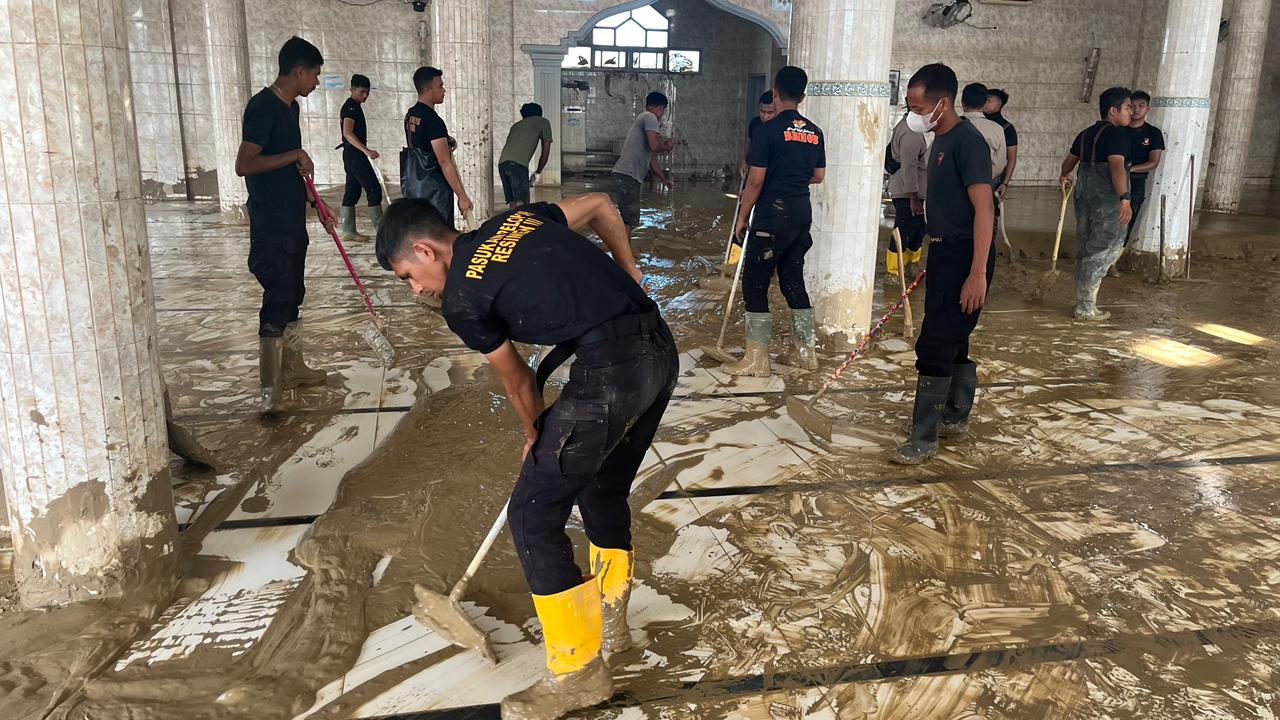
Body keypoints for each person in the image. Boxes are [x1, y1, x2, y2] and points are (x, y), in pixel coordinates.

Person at [376, 193, 676, 720]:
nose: (416, 289)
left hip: (611, 373)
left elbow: (516, 379)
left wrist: (536, 433)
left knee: (533, 514)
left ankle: (578, 674)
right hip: (658, 353)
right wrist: (630, 271)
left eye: (408, 277)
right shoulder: (518, 221)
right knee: (601, 491)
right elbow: (602, 205)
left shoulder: (461, 301)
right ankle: (613, 626)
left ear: (425, 250)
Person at [888, 63, 995, 466]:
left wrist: (977, 273)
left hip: (966, 254)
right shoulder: (941, 139)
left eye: (917, 108)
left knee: (934, 343)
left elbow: (985, 210)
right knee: (954, 337)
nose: (913, 114)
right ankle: (954, 416)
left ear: (943, 103)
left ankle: (924, 438)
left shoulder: (968, 142)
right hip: (945, 251)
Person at [235, 36, 329, 415]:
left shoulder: (291, 108)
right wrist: (294, 154)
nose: (317, 82)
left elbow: (291, 168)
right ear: (299, 71)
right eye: (315, 75)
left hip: (291, 217)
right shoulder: (263, 107)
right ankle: (269, 386)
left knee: (294, 291)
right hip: (270, 221)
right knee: (278, 293)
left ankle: (293, 368)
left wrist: (316, 201)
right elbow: (245, 165)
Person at [725, 66, 826, 377]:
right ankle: (806, 354)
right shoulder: (815, 132)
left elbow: (755, 182)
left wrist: (742, 218)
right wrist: (792, 176)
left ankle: (757, 360)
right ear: (802, 97)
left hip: (772, 216)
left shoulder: (767, 131)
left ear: (776, 92)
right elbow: (818, 176)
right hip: (801, 215)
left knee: (755, 282)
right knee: (792, 279)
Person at [1060, 87, 1133, 321]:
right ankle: (1085, 308)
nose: (1131, 112)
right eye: (1127, 107)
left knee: (1087, 248)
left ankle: (1082, 302)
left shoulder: (1086, 134)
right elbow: (1116, 167)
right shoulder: (1117, 135)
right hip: (1106, 199)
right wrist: (1125, 198)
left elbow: (1068, 163)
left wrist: (1065, 175)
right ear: (1113, 110)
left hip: (1084, 195)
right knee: (1104, 249)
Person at [403, 66, 472, 225]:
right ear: (428, 90)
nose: (444, 90)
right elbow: (444, 162)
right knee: (439, 232)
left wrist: (446, 141)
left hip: (414, 186)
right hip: (434, 190)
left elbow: (420, 143)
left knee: (419, 230)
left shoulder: (410, 115)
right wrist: (462, 196)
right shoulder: (433, 121)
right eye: (440, 86)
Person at [611, 92, 675, 237]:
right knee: (628, 219)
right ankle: (624, 250)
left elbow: (651, 159)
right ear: (660, 108)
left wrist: (664, 179)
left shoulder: (643, 118)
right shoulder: (650, 117)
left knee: (629, 218)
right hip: (628, 176)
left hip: (626, 176)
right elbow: (654, 146)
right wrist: (667, 147)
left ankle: (625, 248)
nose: (662, 115)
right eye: (663, 111)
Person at [337, 74, 383, 241]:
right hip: (354, 155)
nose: (365, 96)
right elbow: (347, 133)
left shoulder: (354, 106)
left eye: (367, 92)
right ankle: (382, 233)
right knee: (374, 189)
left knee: (352, 191)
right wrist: (366, 151)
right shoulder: (350, 107)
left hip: (352, 155)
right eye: (362, 92)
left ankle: (349, 231)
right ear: (352, 89)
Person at [1121, 90, 1164, 253]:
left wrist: (1131, 169)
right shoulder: (1118, 130)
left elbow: (1153, 162)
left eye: (1141, 106)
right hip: (1114, 179)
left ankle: (1117, 254)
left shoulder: (1153, 133)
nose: (1137, 109)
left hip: (1136, 182)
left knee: (1127, 221)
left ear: (1148, 109)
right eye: (1133, 106)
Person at [887, 109, 928, 277]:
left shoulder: (915, 129)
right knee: (903, 231)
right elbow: (909, 165)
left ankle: (910, 266)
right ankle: (894, 273)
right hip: (908, 192)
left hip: (914, 191)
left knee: (917, 230)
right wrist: (913, 197)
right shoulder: (911, 132)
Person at [498, 103, 554, 210]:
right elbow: (545, 153)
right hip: (517, 165)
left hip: (502, 164)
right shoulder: (543, 122)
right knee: (522, 203)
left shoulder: (516, 126)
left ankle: (512, 220)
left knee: (513, 202)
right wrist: (538, 172)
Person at [983, 88, 1018, 198]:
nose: (984, 102)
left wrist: (1004, 183)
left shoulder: (1007, 128)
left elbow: (1012, 158)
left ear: (999, 104)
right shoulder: (972, 122)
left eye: (989, 100)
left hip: (994, 178)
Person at [740, 91, 777, 179]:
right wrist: (744, 161)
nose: (765, 116)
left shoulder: (779, 127)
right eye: (762, 112)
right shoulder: (755, 123)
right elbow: (749, 142)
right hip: (754, 167)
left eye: (770, 113)